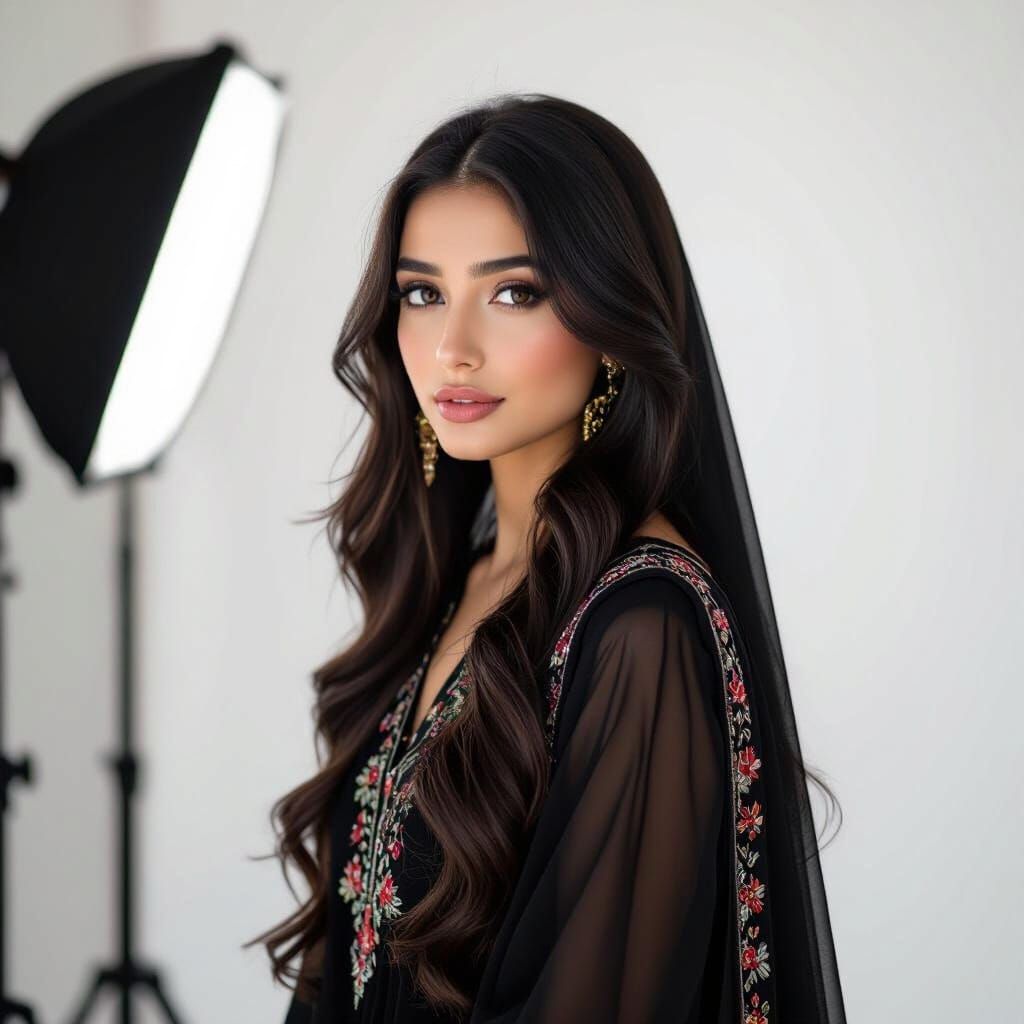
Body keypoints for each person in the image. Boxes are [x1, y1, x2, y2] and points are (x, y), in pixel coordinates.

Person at [246, 93, 847, 1023]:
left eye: (514, 293)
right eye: (423, 292)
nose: (453, 348)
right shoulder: (460, 578)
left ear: (609, 316)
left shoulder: (641, 625)